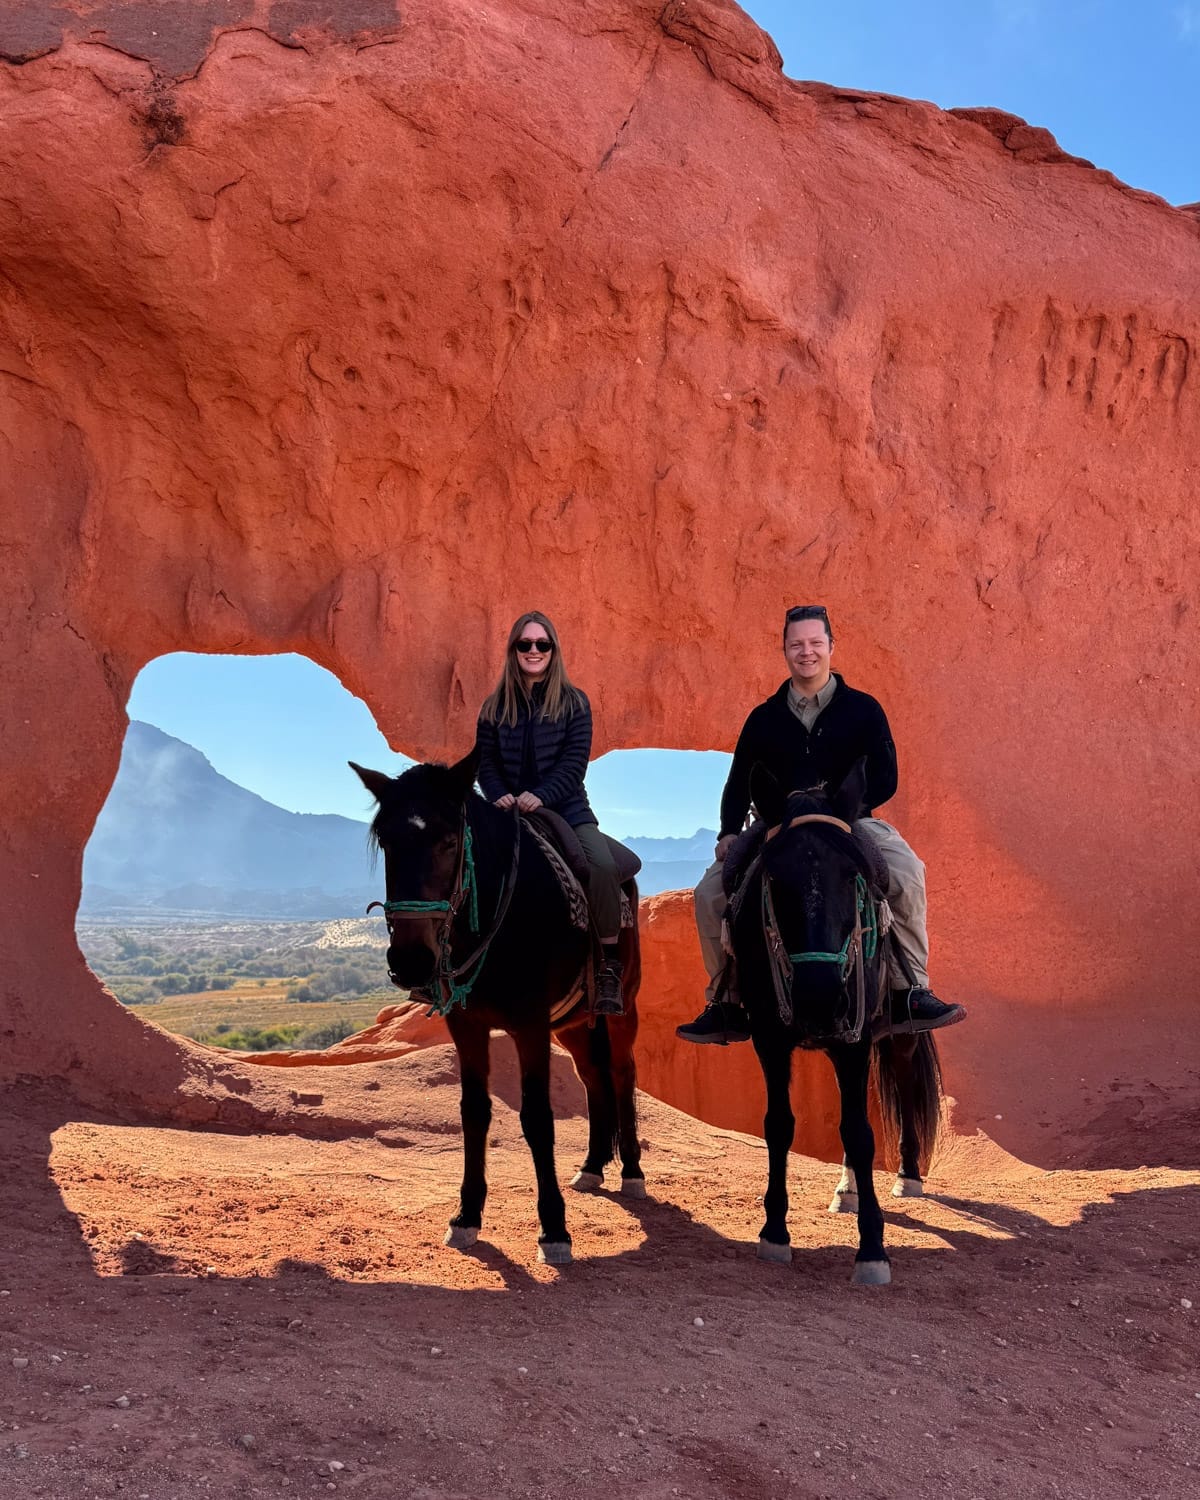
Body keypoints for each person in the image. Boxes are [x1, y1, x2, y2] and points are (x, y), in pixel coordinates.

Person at [677, 604, 967, 1044]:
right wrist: (729, 832)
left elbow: (886, 777)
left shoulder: (863, 710)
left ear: (832, 647)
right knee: (709, 894)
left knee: (908, 874)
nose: (806, 652)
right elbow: (738, 783)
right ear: (785, 651)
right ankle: (725, 1001)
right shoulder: (764, 718)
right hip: (777, 823)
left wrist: (844, 807)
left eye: (815, 643)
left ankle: (910, 991)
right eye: (797, 645)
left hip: (852, 820)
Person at [475, 611, 625, 1015]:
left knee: (605, 867)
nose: (534, 651)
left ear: (554, 650)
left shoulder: (574, 703)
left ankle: (608, 964)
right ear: (514, 651)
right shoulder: (493, 707)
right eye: (525, 644)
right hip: (505, 811)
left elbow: (575, 763)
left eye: (542, 644)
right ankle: (450, 967)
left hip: (567, 809)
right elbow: (485, 763)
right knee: (461, 864)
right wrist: (499, 795)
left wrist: (540, 796)